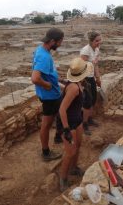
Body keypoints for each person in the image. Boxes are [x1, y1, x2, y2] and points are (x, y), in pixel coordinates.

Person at [58, 57, 93, 192]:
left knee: (78, 145)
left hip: (77, 119)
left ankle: (74, 168)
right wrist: (66, 129)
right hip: (68, 123)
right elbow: (62, 109)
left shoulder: (78, 83)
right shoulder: (73, 88)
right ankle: (63, 178)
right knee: (70, 152)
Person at [31, 28, 64, 161]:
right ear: (52, 41)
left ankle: (58, 137)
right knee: (46, 125)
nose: (60, 45)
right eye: (59, 42)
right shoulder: (44, 57)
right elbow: (35, 78)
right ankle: (46, 152)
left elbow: (46, 73)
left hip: (53, 95)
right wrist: (48, 85)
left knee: (61, 114)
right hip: (49, 96)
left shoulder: (41, 50)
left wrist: (57, 79)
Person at [80, 31, 102, 134]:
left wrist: (98, 78)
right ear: (91, 41)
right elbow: (81, 67)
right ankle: (84, 124)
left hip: (91, 77)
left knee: (93, 99)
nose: (99, 42)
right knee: (87, 102)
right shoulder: (85, 51)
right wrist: (83, 83)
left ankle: (89, 119)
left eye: (99, 40)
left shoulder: (96, 50)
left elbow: (96, 65)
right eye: (97, 41)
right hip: (85, 79)